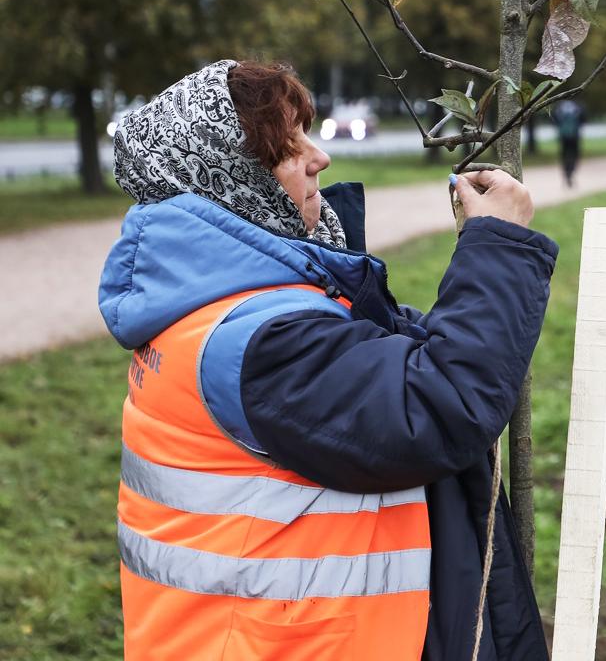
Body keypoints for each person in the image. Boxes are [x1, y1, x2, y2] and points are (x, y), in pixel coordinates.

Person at [99, 60, 554, 660]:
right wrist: (497, 247)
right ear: (232, 179)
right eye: (288, 148)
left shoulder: (221, 309)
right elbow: (438, 405)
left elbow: (384, 359)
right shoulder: (264, 344)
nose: (320, 158)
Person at [551, 98, 585, 187]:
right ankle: (571, 172)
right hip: (575, 137)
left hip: (563, 137)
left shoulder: (560, 108)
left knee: (564, 156)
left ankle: (567, 173)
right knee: (575, 155)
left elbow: (555, 120)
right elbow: (583, 120)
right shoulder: (577, 107)